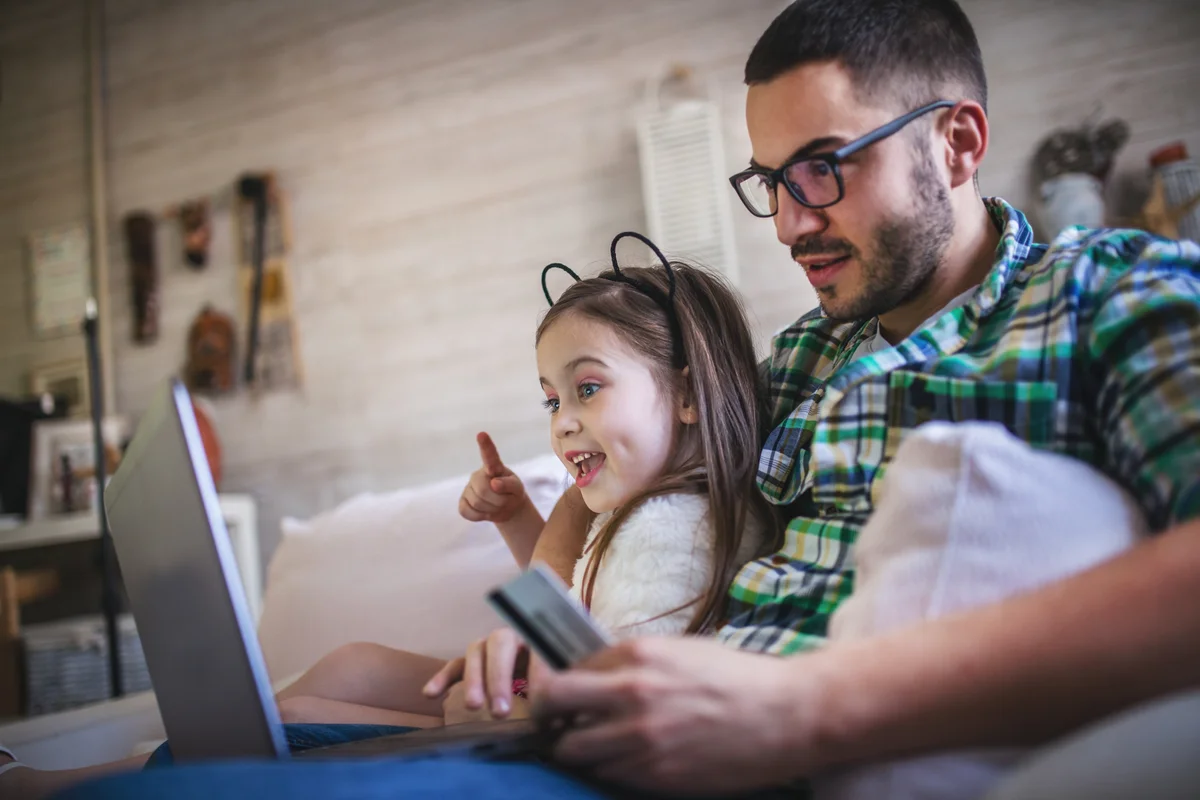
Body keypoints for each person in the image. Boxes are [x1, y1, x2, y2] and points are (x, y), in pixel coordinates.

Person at [29, 0, 1200, 796]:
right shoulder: (789, 364)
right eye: (768, 184)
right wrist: (533, 580)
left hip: (754, 754)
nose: (789, 221)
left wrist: (807, 709)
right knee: (206, 758)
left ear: (956, 142)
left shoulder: (1108, 294)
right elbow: (618, 488)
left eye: (822, 170)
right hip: (617, 741)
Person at [0, 245, 775, 798]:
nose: (564, 424)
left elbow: (630, 704)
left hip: (559, 726)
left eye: (589, 388)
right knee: (351, 664)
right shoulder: (624, 500)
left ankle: (66, 782)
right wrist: (518, 518)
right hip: (540, 690)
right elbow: (562, 589)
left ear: (686, 394)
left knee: (301, 712)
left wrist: (510, 704)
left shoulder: (677, 532)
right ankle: (126, 762)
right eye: (552, 400)